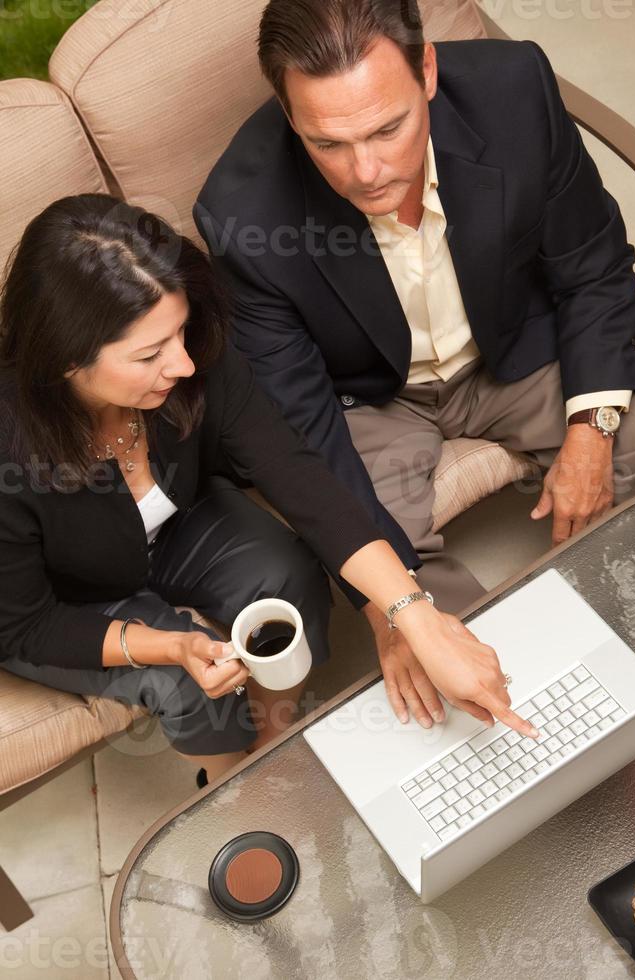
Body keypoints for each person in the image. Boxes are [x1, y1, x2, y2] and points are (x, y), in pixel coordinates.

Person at [194, 0, 635, 730]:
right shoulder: (241, 213)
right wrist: (394, 613)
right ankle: (530, 706)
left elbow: (590, 268)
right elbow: (300, 430)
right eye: (328, 144)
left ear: (426, 70)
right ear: (286, 112)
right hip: (366, 397)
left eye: (386, 128)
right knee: (393, 573)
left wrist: (589, 433)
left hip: (514, 344)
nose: (367, 172)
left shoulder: (515, 90)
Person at [0, 194, 538, 787]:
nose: (182, 364)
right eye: (150, 354)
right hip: (57, 598)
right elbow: (24, 625)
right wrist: (171, 647)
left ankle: (269, 744)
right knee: (183, 677)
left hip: (176, 522)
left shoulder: (193, 354)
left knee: (289, 576)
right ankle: (233, 789)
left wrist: (414, 616)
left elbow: (295, 471)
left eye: (179, 333)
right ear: (63, 360)